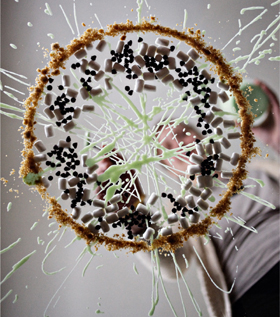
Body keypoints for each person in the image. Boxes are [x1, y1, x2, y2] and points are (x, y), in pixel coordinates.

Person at [97, 80, 280, 317]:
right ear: (169, 169)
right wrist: (134, 216)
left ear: (202, 138)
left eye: (183, 134)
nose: (178, 147)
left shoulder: (259, 168)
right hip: (256, 294)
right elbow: (173, 265)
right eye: (166, 147)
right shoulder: (181, 212)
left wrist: (277, 139)